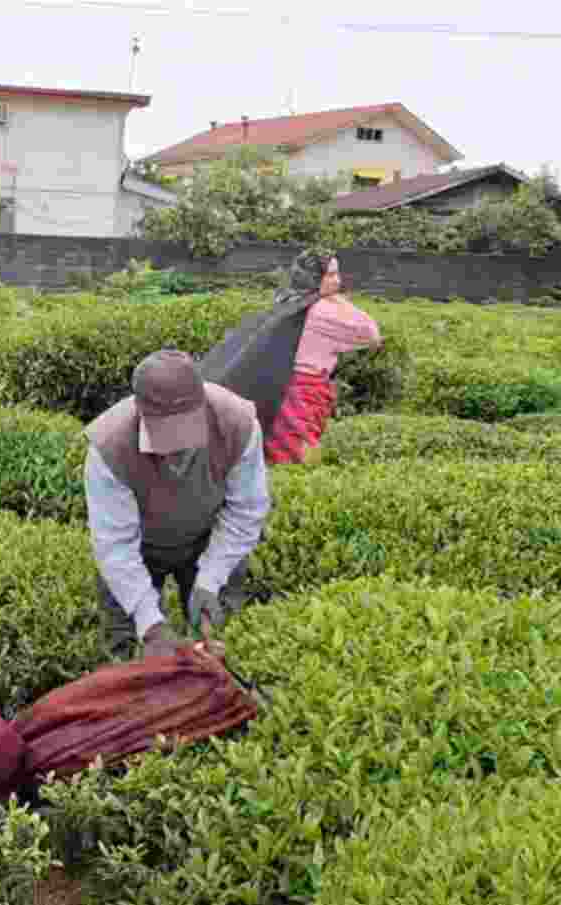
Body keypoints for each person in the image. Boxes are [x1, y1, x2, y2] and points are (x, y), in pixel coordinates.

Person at [83, 348, 271, 660]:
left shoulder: (237, 423)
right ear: (141, 414)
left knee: (221, 645)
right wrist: (151, 625)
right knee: (128, 655)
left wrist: (210, 580)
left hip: (208, 538)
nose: (175, 450)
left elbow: (245, 511)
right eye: (165, 438)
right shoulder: (109, 447)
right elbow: (116, 547)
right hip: (141, 548)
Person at [264, 249, 383, 466]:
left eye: (337, 274)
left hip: (286, 386)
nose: (338, 281)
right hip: (304, 390)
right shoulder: (321, 310)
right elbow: (371, 333)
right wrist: (338, 300)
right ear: (314, 278)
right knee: (300, 454)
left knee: (285, 452)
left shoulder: (289, 300)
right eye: (330, 275)